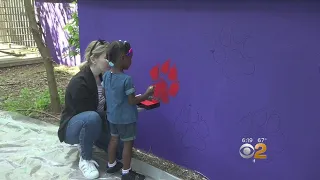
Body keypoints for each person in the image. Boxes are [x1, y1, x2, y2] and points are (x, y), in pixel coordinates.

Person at [58, 40, 123, 179]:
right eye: (107, 57)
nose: (111, 61)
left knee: (121, 151)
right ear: (93, 59)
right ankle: (85, 158)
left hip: (97, 123)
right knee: (91, 118)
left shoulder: (105, 77)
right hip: (74, 128)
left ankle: (91, 140)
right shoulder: (79, 82)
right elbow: (89, 115)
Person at [102, 40, 154, 180]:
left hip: (112, 117)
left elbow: (107, 94)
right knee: (127, 144)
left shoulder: (106, 75)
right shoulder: (126, 79)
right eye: (130, 59)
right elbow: (132, 101)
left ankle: (111, 165)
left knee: (113, 140)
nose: (131, 62)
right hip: (126, 120)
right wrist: (146, 94)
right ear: (123, 58)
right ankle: (126, 172)